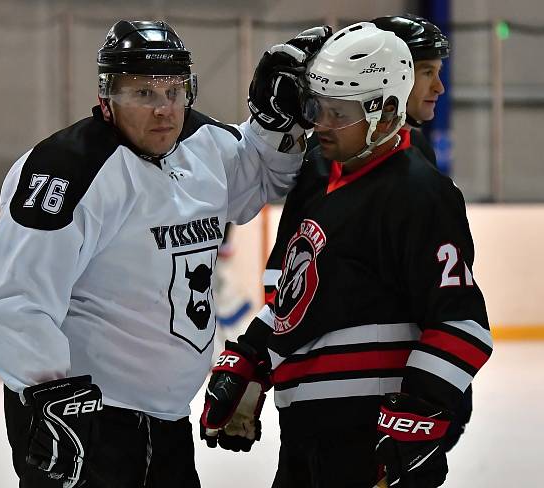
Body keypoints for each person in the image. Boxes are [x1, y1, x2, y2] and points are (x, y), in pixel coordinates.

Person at [0, 19, 329, 488]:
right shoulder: (66, 171)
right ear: (107, 97)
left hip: (168, 423)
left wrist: (271, 126)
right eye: (143, 94)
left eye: (174, 92)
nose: (164, 110)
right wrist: (48, 396)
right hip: (86, 426)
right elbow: (11, 300)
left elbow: (255, 183)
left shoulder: (203, 145)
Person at [199, 22, 492, 488]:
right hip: (307, 440)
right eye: (319, 108)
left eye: (339, 112)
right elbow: (299, 300)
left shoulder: (418, 192)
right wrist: (250, 360)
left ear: (386, 110)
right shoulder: (325, 182)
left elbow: (462, 325)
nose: (320, 123)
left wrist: (417, 416)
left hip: (365, 439)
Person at [373, 13, 475, 457]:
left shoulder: (419, 151)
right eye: (427, 73)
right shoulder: (326, 163)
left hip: (404, 394)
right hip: (352, 402)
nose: (440, 88)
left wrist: (433, 395)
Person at [373, 14, 450, 168]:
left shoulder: (420, 148)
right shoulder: (327, 155)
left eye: (438, 73)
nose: (439, 88)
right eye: (428, 73)